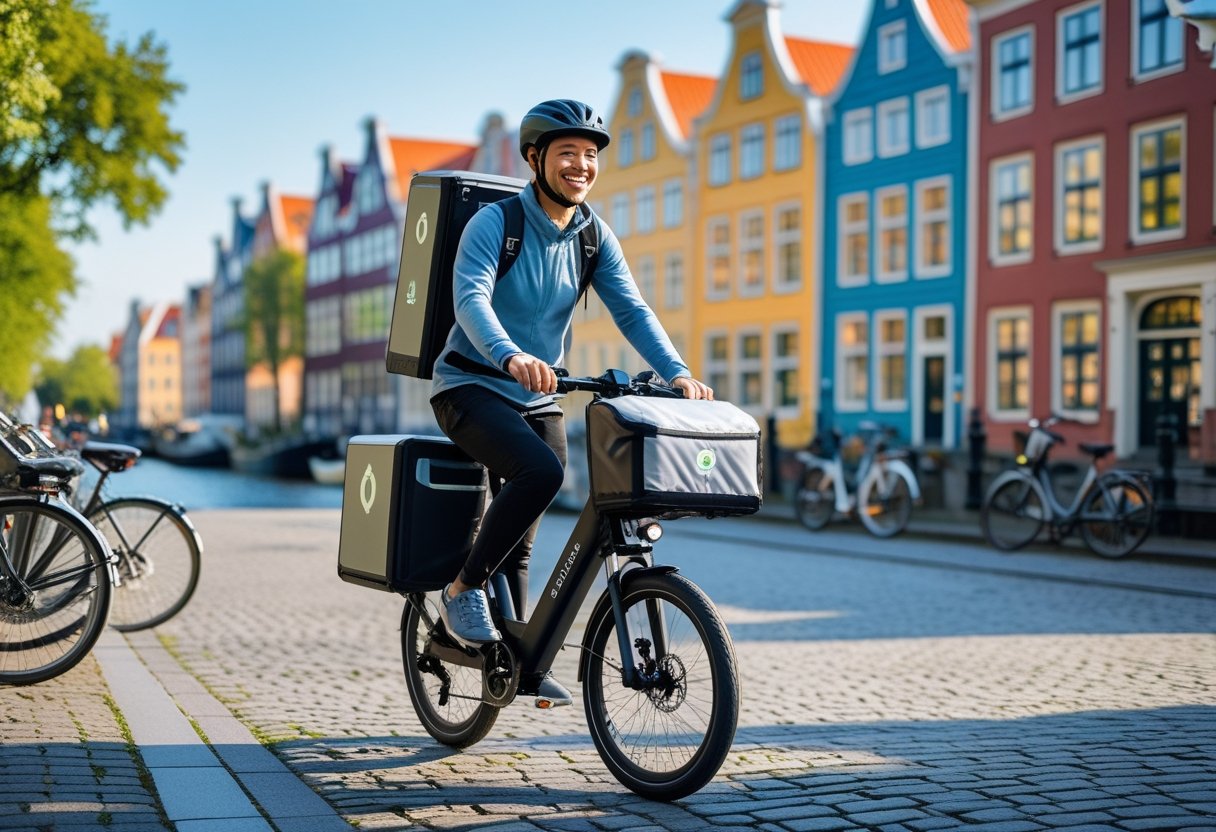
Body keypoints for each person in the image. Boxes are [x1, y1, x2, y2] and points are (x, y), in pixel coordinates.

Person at [429, 98, 712, 705]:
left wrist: (678, 372)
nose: (581, 165)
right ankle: (462, 588)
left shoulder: (593, 235)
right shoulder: (496, 225)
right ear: (536, 159)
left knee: (526, 535)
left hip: (538, 395)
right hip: (470, 386)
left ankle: (518, 658)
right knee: (543, 471)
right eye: (567, 154)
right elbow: (471, 299)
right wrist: (509, 355)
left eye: (590, 155)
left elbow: (632, 309)